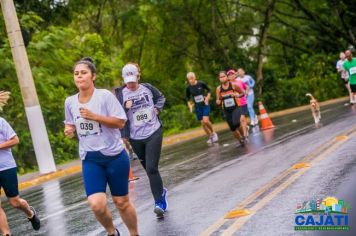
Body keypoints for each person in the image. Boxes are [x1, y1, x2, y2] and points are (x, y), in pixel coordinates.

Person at [64, 57, 138, 236]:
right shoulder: (70, 102)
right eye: (76, 73)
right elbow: (70, 123)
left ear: (93, 76)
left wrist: (95, 116)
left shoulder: (104, 96)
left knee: (121, 202)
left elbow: (120, 122)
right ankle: (112, 232)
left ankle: (135, 234)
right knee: (96, 204)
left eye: (84, 73)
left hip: (114, 156)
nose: (79, 76)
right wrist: (69, 129)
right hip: (91, 159)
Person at [114, 63, 168, 218]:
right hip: (135, 137)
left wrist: (157, 108)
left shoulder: (147, 88)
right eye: (127, 81)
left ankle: (159, 203)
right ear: (124, 79)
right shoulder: (120, 94)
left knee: (151, 168)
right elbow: (116, 115)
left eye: (133, 80)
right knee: (148, 168)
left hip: (153, 131)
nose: (130, 84)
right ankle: (161, 191)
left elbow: (161, 98)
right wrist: (124, 106)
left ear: (138, 76)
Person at [0, 117, 40, 236]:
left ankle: (30, 213)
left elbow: (15, 140)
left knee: (15, 202)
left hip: (6, 167)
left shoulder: (0, 121)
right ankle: (6, 233)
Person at [185, 72, 218, 144]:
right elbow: (187, 98)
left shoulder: (201, 83)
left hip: (205, 104)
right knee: (203, 123)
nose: (191, 80)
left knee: (206, 121)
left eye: (192, 78)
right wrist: (190, 105)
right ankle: (210, 136)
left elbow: (209, 90)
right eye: (189, 79)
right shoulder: (188, 87)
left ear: (195, 77)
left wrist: (207, 98)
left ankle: (213, 133)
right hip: (197, 106)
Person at [216, 71, 246, 145]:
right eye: (221, 77)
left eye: (224, 76)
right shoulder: (219, 89)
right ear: (219, 79)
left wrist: (236, 95)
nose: (222, 78)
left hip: (236, 107)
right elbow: (218, 100)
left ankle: (243, 136)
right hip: (226, 109)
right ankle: (240, 140)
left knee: (236, 123)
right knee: (232, 128)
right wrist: (218, 101)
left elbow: (243, 93)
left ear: (227, 77)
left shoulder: (233, 85)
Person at [227, 69, 249, 139]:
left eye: (232, 74)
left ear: (235, 75)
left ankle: (245, 135)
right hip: (235, 105)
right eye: (229, 75)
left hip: (242, 103)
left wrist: (246, 92)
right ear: (227, 77)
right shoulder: (227, 85)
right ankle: (245, 129)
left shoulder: (240, 82)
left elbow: (247, 87)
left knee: (242, 119)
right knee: (239, 121)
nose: (231, 76)